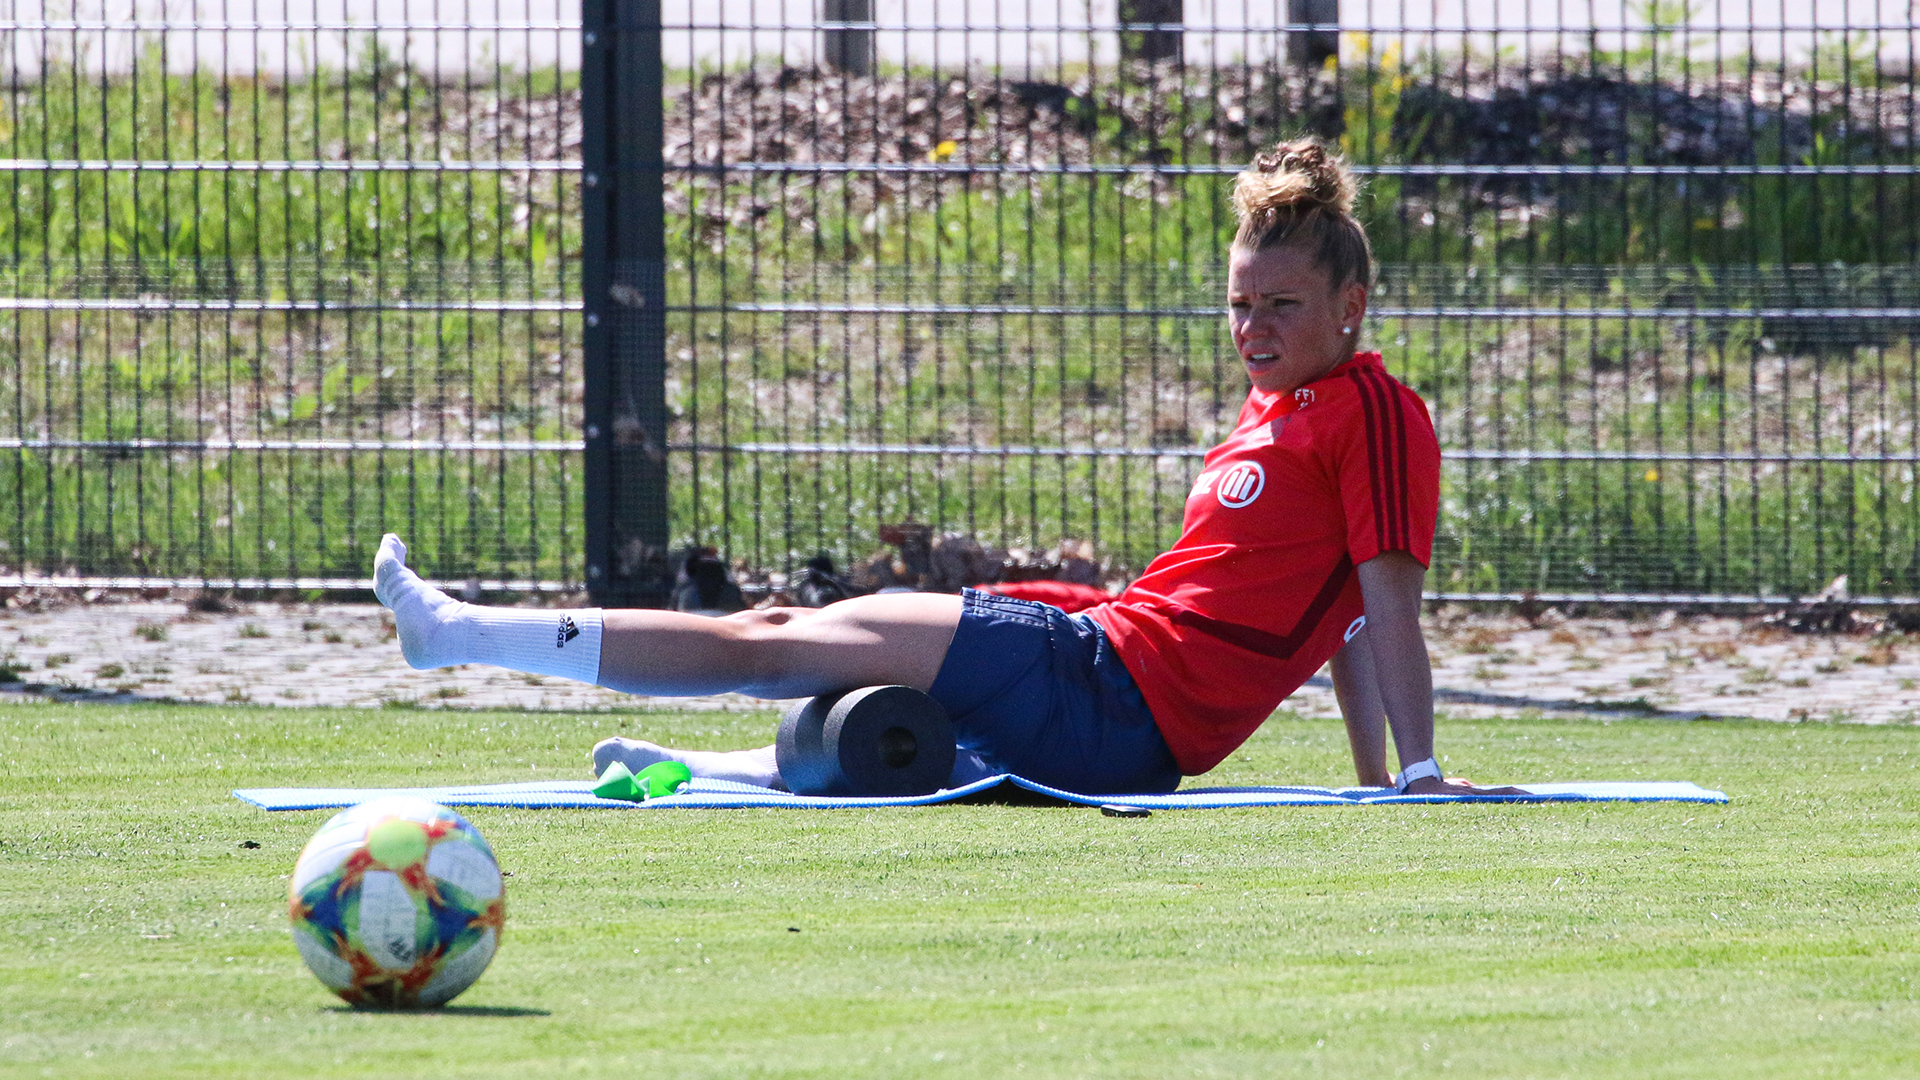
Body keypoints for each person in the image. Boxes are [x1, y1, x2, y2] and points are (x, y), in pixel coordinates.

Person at [372, 138, 1518, 797]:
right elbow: (1341, 628)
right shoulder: (1273, 412)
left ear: (1350, 307)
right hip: (1101, 658)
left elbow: (1383, 608)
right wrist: (1377, 784)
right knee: (846, 691)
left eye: (1282, 306)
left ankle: (466, 635)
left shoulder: (1371, 409)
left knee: (777, 646)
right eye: (1238, 305)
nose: (1254, 328)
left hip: (1110, 694)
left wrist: (1412, 775)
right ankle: (686, 765)